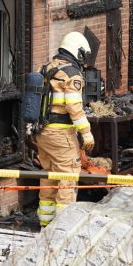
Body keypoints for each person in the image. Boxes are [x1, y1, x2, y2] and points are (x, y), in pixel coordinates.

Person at [36, 32, 95, 228]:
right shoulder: (72, 75)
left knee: (49, 175)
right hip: (61, 134)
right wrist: (86, 132)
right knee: (68, 177)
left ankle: (45, 223)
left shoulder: (45, 69)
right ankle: (63, 228)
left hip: (42, 133)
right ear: (77, 51)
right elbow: (74, 107)